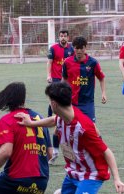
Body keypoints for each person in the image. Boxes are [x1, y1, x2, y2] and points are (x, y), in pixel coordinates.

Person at [62, 36, 107, 123]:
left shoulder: (93, 62)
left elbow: (101, 78)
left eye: (81, 48)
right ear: (73, 48)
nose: (79, 51)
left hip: (87, 103)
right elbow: (64, 79)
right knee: (69, 127)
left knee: (92, 128)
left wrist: (104, 93)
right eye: (76, 48)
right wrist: (61, 94)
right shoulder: (67, 62)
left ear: (85, 48)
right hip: (71, 102)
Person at [46, 30, 74, 165]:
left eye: (65, 36)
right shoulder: (53, 48)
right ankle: (58, 150)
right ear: (59, 37)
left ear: (68, 37)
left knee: (63, 123)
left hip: (66, 83)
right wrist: (48, 75)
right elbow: (49, 63)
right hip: (56, 80)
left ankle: (59, 151)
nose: (63, 38)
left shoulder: (72, 49)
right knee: (58, 116)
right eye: (61, 36)